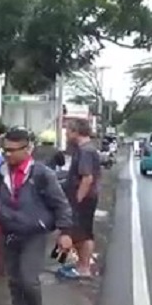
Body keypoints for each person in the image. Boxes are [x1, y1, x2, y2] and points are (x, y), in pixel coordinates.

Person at [0, 127, 73, 305]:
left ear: (27, 149)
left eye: (12, 150)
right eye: (5, 150)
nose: (7, 154)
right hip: (9, 232)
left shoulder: (42, 174)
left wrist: (66, 232)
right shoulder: (1, 172)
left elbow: (60, 204)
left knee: (29, 280)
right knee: (13, 279)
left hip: (33, 234)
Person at [59, 118, 101, 279]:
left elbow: (87, 178)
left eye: (68, 130)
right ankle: (69, 262)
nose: (66, 133)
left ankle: (83, 268)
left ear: (76, 132)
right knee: (79, 232)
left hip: (83, 199)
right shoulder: (84, 149)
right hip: (84, 197)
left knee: (78, 233)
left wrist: (76, 201)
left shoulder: (85, 151)